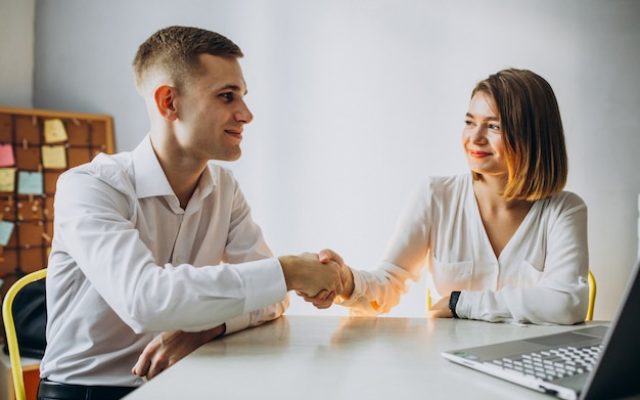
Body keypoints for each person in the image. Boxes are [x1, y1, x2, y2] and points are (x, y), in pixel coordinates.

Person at [38, 26, 343, 400]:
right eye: (227, 96)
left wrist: (208, 328)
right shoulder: (89, 186)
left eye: (243, 97)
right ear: (169, 103)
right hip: (88, 392)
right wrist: (290, 271)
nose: (245, 114)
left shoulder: (225, 189)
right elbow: (146, 301)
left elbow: (272, 298)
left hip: (183, 383)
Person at [304, 68, 589, 325]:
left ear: (534, 136)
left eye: (494, 126)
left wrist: (460, 302)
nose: (474, 137)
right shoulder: (435, 195)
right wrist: (346, 282)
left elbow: (567, 304)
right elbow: (389, 280)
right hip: (451, 365)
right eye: (470, 121)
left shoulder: (565, 210)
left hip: (527, 365)